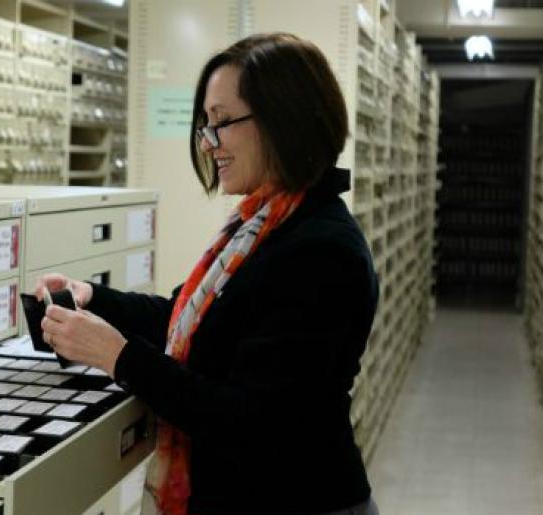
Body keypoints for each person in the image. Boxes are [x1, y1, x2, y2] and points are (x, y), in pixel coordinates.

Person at [36, 32, 379, 515]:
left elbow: (249, 421)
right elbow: (186, 319)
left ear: (285, 121)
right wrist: (93, 298)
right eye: (205, 124)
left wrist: (120, 357)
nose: (209, 142)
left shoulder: (322, 251)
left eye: (222, 122)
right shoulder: (258, 228)